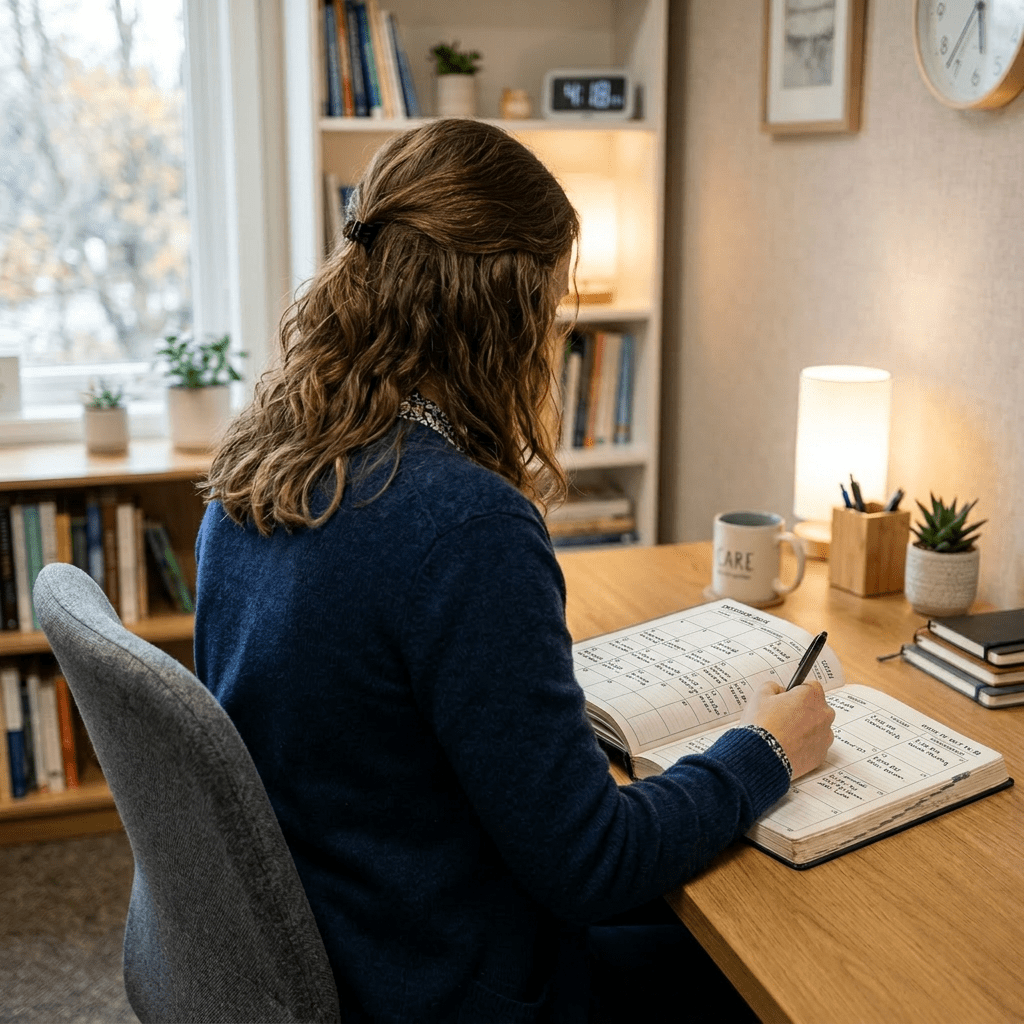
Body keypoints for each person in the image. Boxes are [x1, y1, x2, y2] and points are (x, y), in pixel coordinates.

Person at [194, 118, 834, 1023]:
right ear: (511, 312)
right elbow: (591, 864)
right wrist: (766, 750)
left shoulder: (260, 461)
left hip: (346, 922)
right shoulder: (465, 525)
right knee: (770, 963)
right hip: (445, 979)